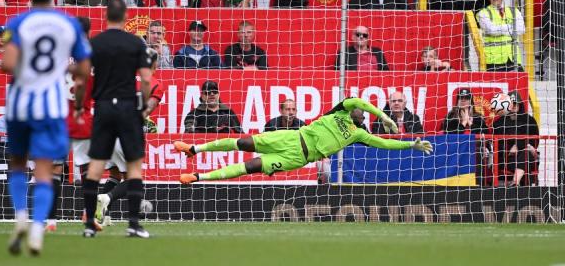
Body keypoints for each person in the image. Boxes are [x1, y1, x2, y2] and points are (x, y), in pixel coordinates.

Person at [1, 0, 91, 255]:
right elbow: (85, 69)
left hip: (19, 103)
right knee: (44, 168)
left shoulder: (16, 23)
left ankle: (20, 216)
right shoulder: (68, 24)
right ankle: (38, 228)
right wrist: (62, 68)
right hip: (50, 106)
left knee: (17, 163)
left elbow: (7, 64)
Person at [175, 97, 432, 184]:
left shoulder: (358, 134)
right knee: (243, 143)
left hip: (297, 157)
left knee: (251, 166)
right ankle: (194, 149)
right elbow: (357, 100)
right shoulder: (340, 111)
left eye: (364, 114)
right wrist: (384, 116)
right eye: (361, 110)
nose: (362, 111)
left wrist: (411, 144)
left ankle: (198, 177)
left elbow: (384, 144)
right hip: (291, 136)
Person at [81, 0, 153, 239]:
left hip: (102, 108)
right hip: (126, 108)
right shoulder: (135, 43)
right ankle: (133, 224)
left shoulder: (96, 43)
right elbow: (145, 78)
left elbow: (82, 77)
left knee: (96, 167)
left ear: (106, 17)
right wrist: (142, 106)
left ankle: (90, 225)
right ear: (125, 17)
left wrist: (82, 104)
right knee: (134, 167)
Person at [95, 57, 163, 226]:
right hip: (127, 132)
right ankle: (107, 198)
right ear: (155, 65)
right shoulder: (155, 83)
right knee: (134, 177)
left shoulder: (123, 78)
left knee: (115, 174)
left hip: (106, 130)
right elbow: (149, 108)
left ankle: (104, 217)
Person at [45, 17, 98, 233]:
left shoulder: (58, 54)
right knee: (86, 169)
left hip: (59, 119)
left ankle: (50, 220)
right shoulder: (92, 56)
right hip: (83, 118)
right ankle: (88, 215)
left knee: (55, 168)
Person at [492, 91, 539, 186]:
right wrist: (509, 149)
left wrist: (518, 146)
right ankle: (518, 184)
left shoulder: (529, 120)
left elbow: (534, 140)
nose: (513, 105)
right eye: (511, 103)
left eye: (516, 103)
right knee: (526, 163)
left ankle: (515, 182)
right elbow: (496, 142)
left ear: (520, 104)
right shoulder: (499, 122)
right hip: (506, 158)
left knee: (526, 154)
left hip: (526, 155)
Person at [477, 0, 525, 72]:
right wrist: (511, 26)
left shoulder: (514, 10)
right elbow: (491, 31)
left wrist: (499, 29)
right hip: (494, 61)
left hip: (513, 58)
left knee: (521, 83)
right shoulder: (483, 13)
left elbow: (521, 29)